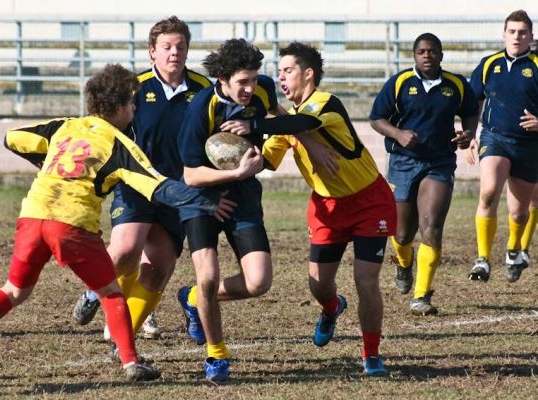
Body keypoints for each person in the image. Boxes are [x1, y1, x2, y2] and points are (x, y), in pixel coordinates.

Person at [0, 64, 234, 380]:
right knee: (110, 292)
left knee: (14, 291)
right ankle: (131, 363)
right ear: (119, 108)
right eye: (132, 102)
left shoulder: (64, 127)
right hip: (70, 222)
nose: (135, 107)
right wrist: (204, 201)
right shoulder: (118, 144)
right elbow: (158, 186)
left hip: (33, 215)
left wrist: (42, 160)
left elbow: (13, 137)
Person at [175, 38, 329, 383]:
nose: (249, 88)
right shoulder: (202, 108)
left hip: (242, 195)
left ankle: (192, 299)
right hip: (200, 198)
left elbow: (280, 115)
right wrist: (233, 174)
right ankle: (217, 355)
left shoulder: (263, 90)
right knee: (209, 276)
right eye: (241, 82)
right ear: (223, 79)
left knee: (259, 282)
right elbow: (189, 174)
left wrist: (309, 142)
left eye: (253, 79)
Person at [71, 16, 211, 344]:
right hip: (135, 183)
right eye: (166, 47)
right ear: (152, 52)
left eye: (180, 46)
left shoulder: (203, 90)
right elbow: (102, 126)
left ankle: (125, 334)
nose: (174, 52)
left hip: (178, 191)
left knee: (159, 265)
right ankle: (94, 293)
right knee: (125, 249)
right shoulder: (135, 87)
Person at [262, 42, 396, 376]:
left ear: (308, 74)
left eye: (288, 70)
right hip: (327, 207)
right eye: (278, 72)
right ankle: (332, 306)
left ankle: (371, 355)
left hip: (370, 201)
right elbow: (265, 160)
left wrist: (255, 122)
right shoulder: (287, 122)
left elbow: (297, 124)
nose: (281, 77)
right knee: (319, 285)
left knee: (366, 281)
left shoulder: (325, 104)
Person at [369, 33, 478, 315]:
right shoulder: (400, 82)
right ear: (414, 56)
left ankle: (421, 296)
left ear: (441, 55)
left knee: (431, 226)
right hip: (404, 162)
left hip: (439, 163)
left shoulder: (456, 85)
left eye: (432, 51)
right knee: (403, 233)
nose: (427, 55)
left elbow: (470, 111)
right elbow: (376, 118)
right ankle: (404, 264)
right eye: (421, 51)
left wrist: (468, 134)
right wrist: (398, 134)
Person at [466, 10, 538, 283]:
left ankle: (513, 249)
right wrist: (471, 133)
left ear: (531, 36)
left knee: (519, 212)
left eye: (522, 32)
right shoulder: (488, 64)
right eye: (512, 31)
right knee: (488, 192)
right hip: (495, 138)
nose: (517, 36)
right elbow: (472, 103)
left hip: (528, 145)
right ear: (504, 34)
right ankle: (482, 259)